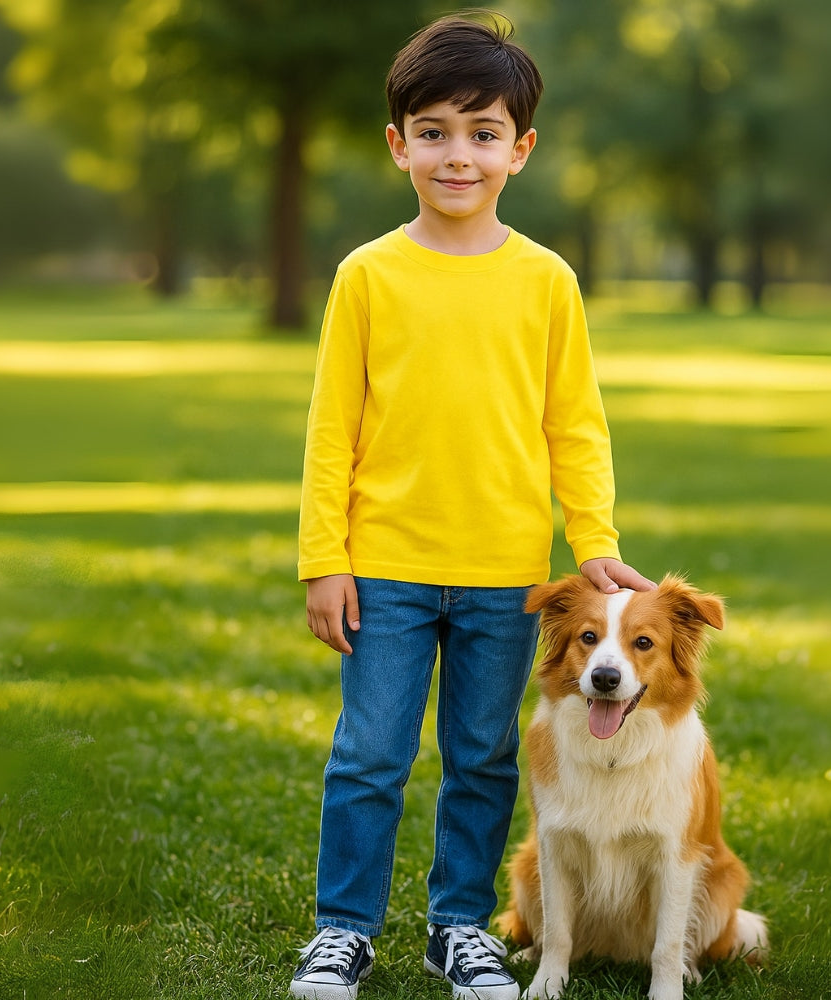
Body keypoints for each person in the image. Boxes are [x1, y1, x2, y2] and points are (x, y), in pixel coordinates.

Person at [290, 12, 655, 1000]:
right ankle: (343, 930)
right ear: (398, 143)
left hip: (508, 575)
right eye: (436, 130)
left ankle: (461, 926)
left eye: (483, 132)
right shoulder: (366, 275)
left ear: (520, 150)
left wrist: (594, 545)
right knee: (368, 753)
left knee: (484, 756)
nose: (459, 154)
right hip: (385, 568)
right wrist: (325, 558)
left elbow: (574, 427)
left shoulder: (545, 281)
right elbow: (333, 431)